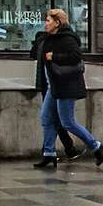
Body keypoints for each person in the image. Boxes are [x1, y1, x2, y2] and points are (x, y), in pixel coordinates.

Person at [34, 9, 103, 168]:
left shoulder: (67, 39)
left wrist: (54, 56)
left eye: (48, 20)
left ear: (57, 23)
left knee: (67, 122)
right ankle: (49, 154)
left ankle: (95, 146)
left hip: (66, 86)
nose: (45, 24)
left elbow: (76, 57)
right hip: (54, 86)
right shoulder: (49, 38)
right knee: (46, 118)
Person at [29, 30, 79, 160]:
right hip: (53, 84)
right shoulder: (51, 42)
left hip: (46, 84)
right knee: (58, 119)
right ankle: (69, 148)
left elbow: (33, 55)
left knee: (52, 118)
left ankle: (52, 151)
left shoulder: (43, 40)